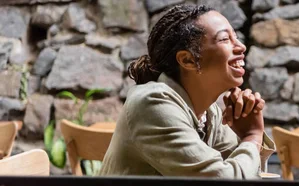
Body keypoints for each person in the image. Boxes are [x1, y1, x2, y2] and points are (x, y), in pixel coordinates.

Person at [98, 4, 274, 179]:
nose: (241, 47)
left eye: (235, 37)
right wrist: (252, 136)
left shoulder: (209, 114)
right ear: (188, 60)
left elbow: (245, 170)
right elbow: (224, 179)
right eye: (224, 39)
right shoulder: (152, 103)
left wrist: (245, 133)